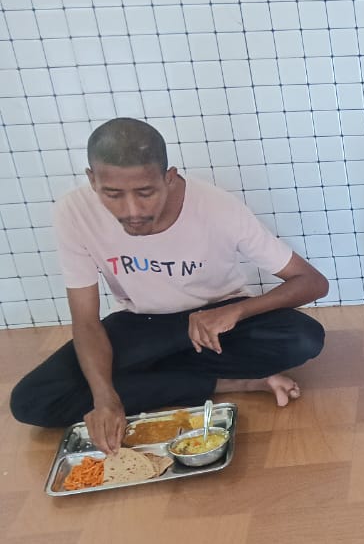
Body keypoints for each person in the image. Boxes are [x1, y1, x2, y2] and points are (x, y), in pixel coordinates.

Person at [9, 118, 329, 453]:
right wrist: (104, 399)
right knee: (32, 400)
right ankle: (236, 382)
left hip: (216, 326)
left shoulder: (217, 207)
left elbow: (312, 282)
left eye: (145, 193)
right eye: (113, 194)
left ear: (169, 177)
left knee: (303, 337)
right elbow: (86, 321)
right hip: (141, 326)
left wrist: (236, 311)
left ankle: (147, 380)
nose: (132, 210)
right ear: (92, 180)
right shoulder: (73, 212)